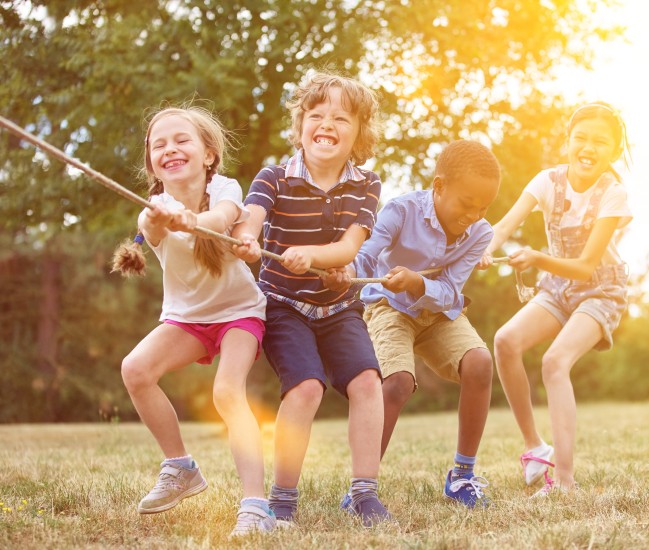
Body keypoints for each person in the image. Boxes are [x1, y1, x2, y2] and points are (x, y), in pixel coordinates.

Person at [231, 71, 390, 527]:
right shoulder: (274, 177)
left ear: (359, 133)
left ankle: (364, 493)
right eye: (316, 115)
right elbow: (251, 217)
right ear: (300, 124)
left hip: (339, 308)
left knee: (367, 383)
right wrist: (246, 237)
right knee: (306, 388)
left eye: (341, 118)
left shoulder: (367, 184)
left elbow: (348, 247)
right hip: (283, 305)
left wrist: (313, 255)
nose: (327, 125)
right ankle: (283, 498)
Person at [112, 105, 275, 536]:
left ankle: (256, 506)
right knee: (135, 369)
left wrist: (193, 221)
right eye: (159, 145)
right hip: (188, 319)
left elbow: (221, 218)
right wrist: (165, 220)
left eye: (181, 140)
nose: (169, 149)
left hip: (239, 312)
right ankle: (180, 467)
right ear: (152, 163)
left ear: (208, 154)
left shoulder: (225, 188)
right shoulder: (153, 209)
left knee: (227, 392)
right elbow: (151, 227)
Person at [328, 140, 501, 509]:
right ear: (439, 186)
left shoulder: (481, 233)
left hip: (439, 313)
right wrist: (346, 271)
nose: (473, 214)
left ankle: (462, 475)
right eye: (466, 203)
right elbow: (367, 253)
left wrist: (417, 283)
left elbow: (450, 291)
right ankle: (361, 488)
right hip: (388, 308)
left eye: (483, 207)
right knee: (398, 382)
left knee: (480, 363)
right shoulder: (400, 210)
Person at [478, 102, 632, 496]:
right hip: (558, 288)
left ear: (614, 151)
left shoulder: (613, 194)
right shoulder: (547, 181)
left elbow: (585, 266)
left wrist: (536, 257)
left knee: (554, 362)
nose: (588, 147)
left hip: (600, 290)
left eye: (600, 142)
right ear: (567, 142)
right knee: (505, 341)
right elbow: (504, 226)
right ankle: (535, 448)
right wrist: (486, 248)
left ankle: (564, 481)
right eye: (581, 138)